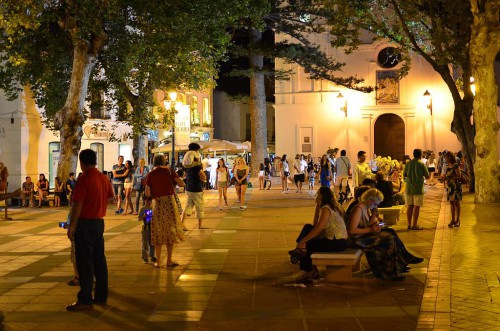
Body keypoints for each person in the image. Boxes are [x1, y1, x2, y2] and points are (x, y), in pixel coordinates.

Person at [65, 149, 114, 311]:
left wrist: (72, 226)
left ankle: (85, 298)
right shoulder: (103, 178)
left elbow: (77, 203)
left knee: (84, 262)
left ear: (82, 162)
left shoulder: (84, 179)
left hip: (85, 224)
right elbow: (110, 197)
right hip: (99, 223)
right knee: (99, 260)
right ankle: (101, 296)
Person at [348, 188, 424, 281]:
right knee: (389, 239)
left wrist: (374, 217)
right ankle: (390, 271)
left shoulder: (366, 208)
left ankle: (401, 263)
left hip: (364, 235)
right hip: (358, 239)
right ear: (369, 200)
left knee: (391, 232)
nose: (376, 205)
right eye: (375, 203)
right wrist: (370, 230)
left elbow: (367, 225)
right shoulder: (358, 209)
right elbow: (352, 230)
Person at [288, 187, 348, 283]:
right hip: (338, 241)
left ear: (323, 197)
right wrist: (317, 206)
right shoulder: (331, 206)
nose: (316, 196)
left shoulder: (326, 208)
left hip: (336, 242)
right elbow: (315, 225)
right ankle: (309, 266)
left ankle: (309, 274)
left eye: (318, 194)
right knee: (308, 228)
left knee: (307, 245)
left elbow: (319, 228)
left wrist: (303, 241)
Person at [145, 154, 186, 268]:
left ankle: (158, 261)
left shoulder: (150, 174)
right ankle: (169, 260)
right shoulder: (169, 172)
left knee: (158, 230)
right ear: (164, 162)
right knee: (170, 230)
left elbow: (147, 193)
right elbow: (182, 184)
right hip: (169, 203)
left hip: (157, 203)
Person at [181, 143, 207, 228]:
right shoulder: (197, 167)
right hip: (197, 188)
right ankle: (200, 225)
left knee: (188, 205)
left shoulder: (187, 167)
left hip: (189, 187)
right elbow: (203, 176)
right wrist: (204, 179)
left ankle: (182, 224)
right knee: (200, 206)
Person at [403, 149, 430, 230]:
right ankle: (414, 225)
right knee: (416, 206)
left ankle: (409, 224)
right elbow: (427, 176)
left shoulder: (408, 164)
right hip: (418, 188)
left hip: (409, 187)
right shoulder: (421, 164)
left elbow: (404, 175)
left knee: (409, 206)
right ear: (420, 155)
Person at [444, 151, 462, 227]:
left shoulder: (455, 165)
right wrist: (444, 179)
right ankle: (452, 219)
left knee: (456, 203)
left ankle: (457, 219)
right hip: (450, 187)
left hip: (455, 187)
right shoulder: (448, 166)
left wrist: (449, 177)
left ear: (450, 157)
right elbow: (447, 176)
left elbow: (459, 176)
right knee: (451, 203)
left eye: (446, 157)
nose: (445, 159)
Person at [138, 198, 156, 264]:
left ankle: (152, 256)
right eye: (147, 201)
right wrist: (144, 216)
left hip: (152, 228)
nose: (149, 202)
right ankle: (145, 257)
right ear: (145, 201)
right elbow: (139, 219)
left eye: (150, 201)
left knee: (152, 243)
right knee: (145, 244)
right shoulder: (143, 209)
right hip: (145, 229)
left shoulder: (153, 208)